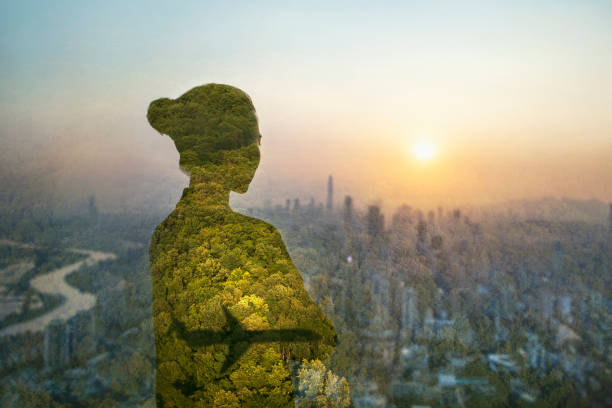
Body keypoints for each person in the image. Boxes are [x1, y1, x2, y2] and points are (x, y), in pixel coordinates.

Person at [147, 84, 336, 407]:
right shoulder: (257, 240)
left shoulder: (165, 234)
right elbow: (320, 339)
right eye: (254, 142)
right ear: (231, 150)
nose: (256, 153)